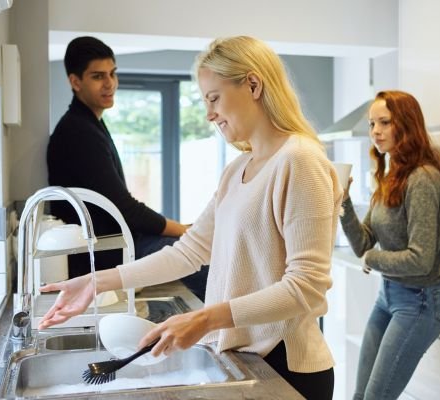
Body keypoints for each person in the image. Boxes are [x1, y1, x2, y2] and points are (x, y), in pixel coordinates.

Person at [39, 35, 343, 400]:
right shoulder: (237, 169)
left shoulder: (300, 160)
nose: (209, 113)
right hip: (243, 356)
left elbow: (305, 287)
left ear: (253, 84)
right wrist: (96, 282)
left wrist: (204, 319)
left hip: (286, 366)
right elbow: (189, 251)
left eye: (214, 98)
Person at [46, 36, 208, 300]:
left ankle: (232, 319)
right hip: (105, 251)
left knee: (191, 247)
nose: (110, 83)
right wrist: (183, 230)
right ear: (75, 82)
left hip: (116, 242)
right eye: (98, 76)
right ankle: (235, 321)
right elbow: (125, 208)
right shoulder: (78, 131)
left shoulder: (88, 124)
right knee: (191, 252)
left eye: (112, 73)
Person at [340, 90, 440, 400]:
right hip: (388, 296)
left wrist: (372, 259)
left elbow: (421, 259)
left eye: (384, 122)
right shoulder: (391, 177)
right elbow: (362, 243)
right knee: (360, 396)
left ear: (405, 124)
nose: (375, 131)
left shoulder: (422, 179)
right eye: (372, 124)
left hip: (420, 302)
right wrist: (343, 202)